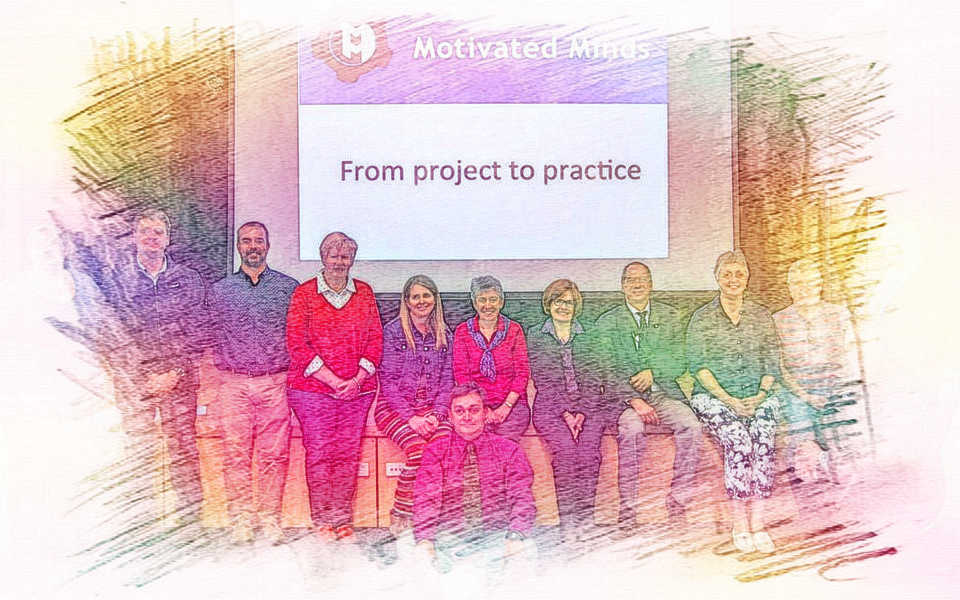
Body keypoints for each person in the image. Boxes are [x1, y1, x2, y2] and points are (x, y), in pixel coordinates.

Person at [103, 208, 206, 525]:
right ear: (134, 237)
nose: (151, 237)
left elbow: (199, 331)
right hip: (136, 384)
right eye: (145, 231)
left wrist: (174, 373)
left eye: (158, 232)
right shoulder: (116, 280)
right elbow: (114, 333)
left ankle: (191, 526)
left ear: (167, 239)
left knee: (184, 449)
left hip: (179, 381)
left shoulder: (187, 279)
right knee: (139, 450)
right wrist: (143, 375)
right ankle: (140, 525)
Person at [584, 262, 703, 534]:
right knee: (632, 429)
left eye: (642, 279)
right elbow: (604, 369)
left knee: (691, 425)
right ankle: (628, 508)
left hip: (663, 394)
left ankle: (678, 502)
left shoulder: (670, 316)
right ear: (622, 286)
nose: (637, 285)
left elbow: (680, 360)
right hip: (624, 401)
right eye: (631, 280)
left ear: (651, 284)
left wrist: (654, 372)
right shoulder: (607, 322)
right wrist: (633, 400)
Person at [285, 232, 383, 542]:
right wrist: (334, 381)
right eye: (334, 256)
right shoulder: (304, 294)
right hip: (311, 390)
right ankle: (322, 520)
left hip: (357, 390)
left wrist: (356, 381)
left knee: (347, 453)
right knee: (319, 452)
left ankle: (342, 519)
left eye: (345, 257)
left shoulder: (364, 292)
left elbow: (375, 340)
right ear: (323, 257)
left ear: (352, 260)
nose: (339, 262)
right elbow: (297, 345)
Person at [685, 250, 783, 554]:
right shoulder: (702, 317)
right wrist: (729, 400)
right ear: (716, 278)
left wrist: (761, 395)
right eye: (726, 274)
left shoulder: (761, 315)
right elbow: (699, 368)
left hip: (758, 395)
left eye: (739, 274)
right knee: (739, 440)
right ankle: (739, 524)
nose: (733, 280)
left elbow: (772, 363)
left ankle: (759, 524)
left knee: (763, 438)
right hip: (714, 397)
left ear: (747, 278)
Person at [207, 222, 298, 544]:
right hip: (233, 383)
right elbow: (210, 334)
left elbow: (297, 335)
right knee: (235, 454)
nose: (253, 246)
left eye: (259, 240)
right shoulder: (220, 291)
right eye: (247, 241)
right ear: (238, 247)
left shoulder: (288, 288)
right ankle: (241, 519)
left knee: (274, 455)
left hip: (275, 382)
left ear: (268, 246)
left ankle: (270, 519)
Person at [413, 382, 535, 574]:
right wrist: (425, 540)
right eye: (459, 411)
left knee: (526, 554)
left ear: (485, 413)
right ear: (450, 416)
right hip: (449, 540)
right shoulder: (435, 451)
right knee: (417, 559)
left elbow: (522, 498)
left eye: (474, 410)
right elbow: (426, 500)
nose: (467, 417)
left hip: (498, 538)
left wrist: (515, 535)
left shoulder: (509, 450)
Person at [526, 279, 604, 546]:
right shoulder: (536, 335)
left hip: (588, 409)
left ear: (576, 306)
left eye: (569, 302)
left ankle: (586, 520)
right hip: (550, 409)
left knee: (590, 453)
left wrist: (581, 412)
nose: (563, 307)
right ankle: (569, 522)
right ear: (549, 304)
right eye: (558, 301)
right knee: (567, 453)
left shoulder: (589, 334)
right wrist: (566, 414)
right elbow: (543, 379)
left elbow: (594, 377)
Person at [376, 275, 454, 536]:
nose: (422, 301)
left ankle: (434, 517)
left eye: (426, 295)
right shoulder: (393, 332)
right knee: (419, 452)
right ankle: (402, 513)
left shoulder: (445, 334)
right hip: (394, 410)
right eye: (415, 297)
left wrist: (437, 414)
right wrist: (411, 418)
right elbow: (387, 382)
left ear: (435, 299)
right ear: (407, 302)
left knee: (443, 451)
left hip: (434, 411)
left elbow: (448, 381)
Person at [773, 258, 861, 481]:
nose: (804, 289)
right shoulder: (778, 320)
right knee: (801, 426)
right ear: (789, 287)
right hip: (795, 388)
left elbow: (847, 358)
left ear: (819, 285)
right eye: (797, 283)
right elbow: (779, 368)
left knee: (837, 430)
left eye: (809, 283)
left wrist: (830, 390)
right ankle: (810, 459)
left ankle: (833, 458)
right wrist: (805, 395)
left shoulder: (838, 314)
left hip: (833, 384)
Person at [452, 276, 530, 441]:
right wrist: (483, 408)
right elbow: (461, 375)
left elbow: (522, 373)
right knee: (478, 442)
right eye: (482, 300)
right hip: (474, 405)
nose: (488, 305)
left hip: (512, 405)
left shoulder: (514, 330)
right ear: (474, 303)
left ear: (501, 302)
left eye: (493, 299)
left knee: (504, 443)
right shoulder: (462, 331)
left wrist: (506, 407)